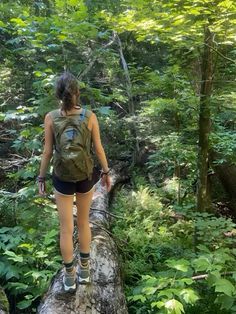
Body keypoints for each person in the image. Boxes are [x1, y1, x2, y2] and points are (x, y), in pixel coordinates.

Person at [37, 72, 111, 292]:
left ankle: (69, 276)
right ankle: (85, 270)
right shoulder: (90, 116)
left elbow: (47, 152)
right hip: (85, 175)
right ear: (77, 92)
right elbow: (98, 148)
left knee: (66, 228)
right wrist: (106, 171)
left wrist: (41, 177)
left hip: (62, 177)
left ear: (57, 94)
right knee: (83, 222)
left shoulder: (50, 117)